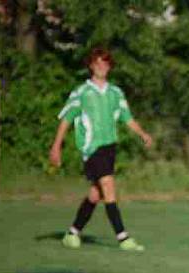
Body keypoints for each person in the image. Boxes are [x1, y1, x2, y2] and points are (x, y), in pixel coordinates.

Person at [49, 47, 153, 252]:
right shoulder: (82, 92)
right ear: (91, 66)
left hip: (109, 146)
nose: (101, 67)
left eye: (105, 63)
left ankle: (72, 233)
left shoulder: (115, 93)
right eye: (97, 63)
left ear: (109, 67)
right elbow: (66, 120)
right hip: (91, 148)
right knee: (108, 186)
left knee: (96, 194)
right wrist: (56, 147)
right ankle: (123, 237)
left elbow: (127, 118)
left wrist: (142, 134)